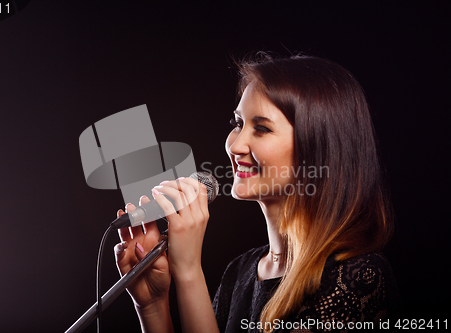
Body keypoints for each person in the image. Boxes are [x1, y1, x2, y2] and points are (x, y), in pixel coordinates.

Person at [114, 53, 401, 333]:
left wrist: (188, 273)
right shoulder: (239, 272)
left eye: (261, 128)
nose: (235, 146)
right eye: (238, 124)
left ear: (317, 149)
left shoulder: (359, 276)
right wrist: (151, 307)